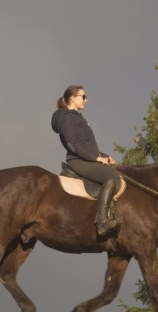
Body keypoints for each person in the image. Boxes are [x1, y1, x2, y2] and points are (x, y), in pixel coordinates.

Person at [51, 85, 121, 236]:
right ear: (72, 98)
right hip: (77, 160)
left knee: (116, 173)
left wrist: (105, 157)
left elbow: (89, 146)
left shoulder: (77, 117)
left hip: (86, 158)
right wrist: (96, 158)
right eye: (83, 97)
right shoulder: (67, 118)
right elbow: (74, 146)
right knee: (111, 177)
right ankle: (102, 222)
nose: (86, 100)